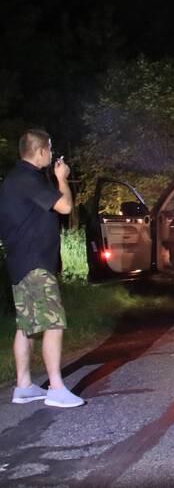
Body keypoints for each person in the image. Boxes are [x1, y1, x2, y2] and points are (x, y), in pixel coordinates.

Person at [0, 129, 84, 408]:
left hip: (21, 262)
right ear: (40, 152)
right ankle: (56, 389)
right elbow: (64, 206)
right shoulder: (29, 178)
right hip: (36, 264)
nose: (51, 153)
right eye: (49, 148)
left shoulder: (15, 178)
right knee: (53, 322)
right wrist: (61, 179)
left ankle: (23, 386)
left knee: (27, 327)